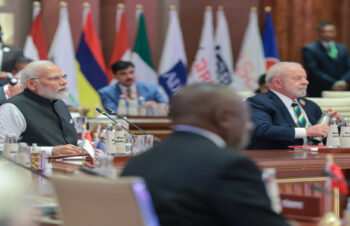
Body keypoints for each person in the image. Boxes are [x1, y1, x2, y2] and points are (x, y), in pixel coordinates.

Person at [121, 84, 289, 226]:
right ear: (223, 118)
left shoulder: (137, 162)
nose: (250, 126)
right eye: (246, 118)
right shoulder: (230, 165)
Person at [246, 62, 341, 150]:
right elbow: (261, 130)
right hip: (279, 160)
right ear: (277, 83)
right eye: (297, 78)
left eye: (305, 78)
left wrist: (335, 124)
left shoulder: (310, 105)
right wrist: (306, 131)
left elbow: (323, 137)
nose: (306, 82)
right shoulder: (258, 102)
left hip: (317, 157)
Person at [0, 61, 82, 156]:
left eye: (63, 77)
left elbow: (67, 141)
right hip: (32, 169)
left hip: (71, 166)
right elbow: (3, 148)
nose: (64, 82)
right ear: (32, 84)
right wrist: (50, 151)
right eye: (54, 78)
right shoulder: (13, 108)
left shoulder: (59, 103)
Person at [303, 21, 350, 97]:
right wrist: (334, 83)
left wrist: (343, 81)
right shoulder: (310, 49)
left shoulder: (343, 48)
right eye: (324, 31)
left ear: (335, 32)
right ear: (319, 32)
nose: (328, 34)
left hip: (343, 87)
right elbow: (314, 70)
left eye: (331, 31)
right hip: (320, 88)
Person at [98, 61, 167, 112]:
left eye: (131, 72)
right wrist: (142, 107)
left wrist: (158, 106)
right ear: (114, 76)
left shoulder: (151, 88)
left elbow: (166, 106)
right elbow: (112, 112)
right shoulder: (106, 92)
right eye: (123, 74)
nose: (129, 76)